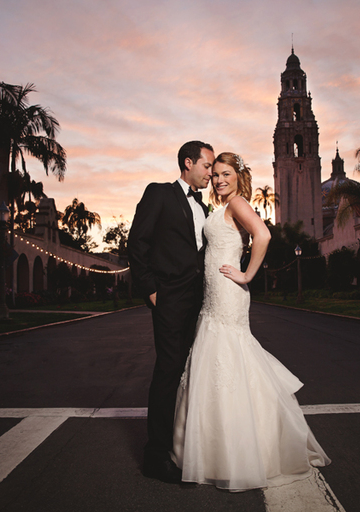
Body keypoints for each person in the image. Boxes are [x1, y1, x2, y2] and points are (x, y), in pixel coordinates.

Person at [171, 152, 331, 491]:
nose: (218, 180)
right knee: (216, 363)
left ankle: (240, 453)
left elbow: (263, 235)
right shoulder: (222, 206)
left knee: (230, 359)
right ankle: (215, 451)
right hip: (213, 297)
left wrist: (247, 275)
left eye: (225, 173)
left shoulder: (238, 203)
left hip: (229, 294)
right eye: (214, 174)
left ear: (237, 176)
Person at [127, 140, 215, 483]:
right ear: (188, 162)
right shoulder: (159, 193)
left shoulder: (203, 207)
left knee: (189, 370)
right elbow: (138, 242)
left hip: (198, 301)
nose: (210, 172)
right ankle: (155, 455)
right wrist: (151, 291)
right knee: (167, 370)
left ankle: (184, 446)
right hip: (168, 298)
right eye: (206, 166)